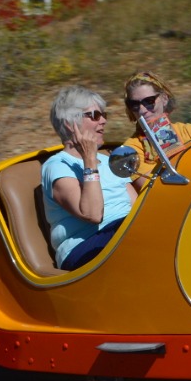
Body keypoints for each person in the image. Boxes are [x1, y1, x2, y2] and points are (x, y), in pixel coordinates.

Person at [43, 85, 133, 271]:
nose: (103, 122)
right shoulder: (57, 165)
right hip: (83, 246)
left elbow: (138, 208)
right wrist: (89, 158)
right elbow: (92, 214)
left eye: (104, 115)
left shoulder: (108, 160)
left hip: (125, 232)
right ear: (70, 123)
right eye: (94, 115)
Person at [120, 70, 191, 184]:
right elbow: (155, 189)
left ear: (164, 99)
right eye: (134, 104)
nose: (142, 110)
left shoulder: (189, 131)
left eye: (149, 101)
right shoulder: (131, 149)